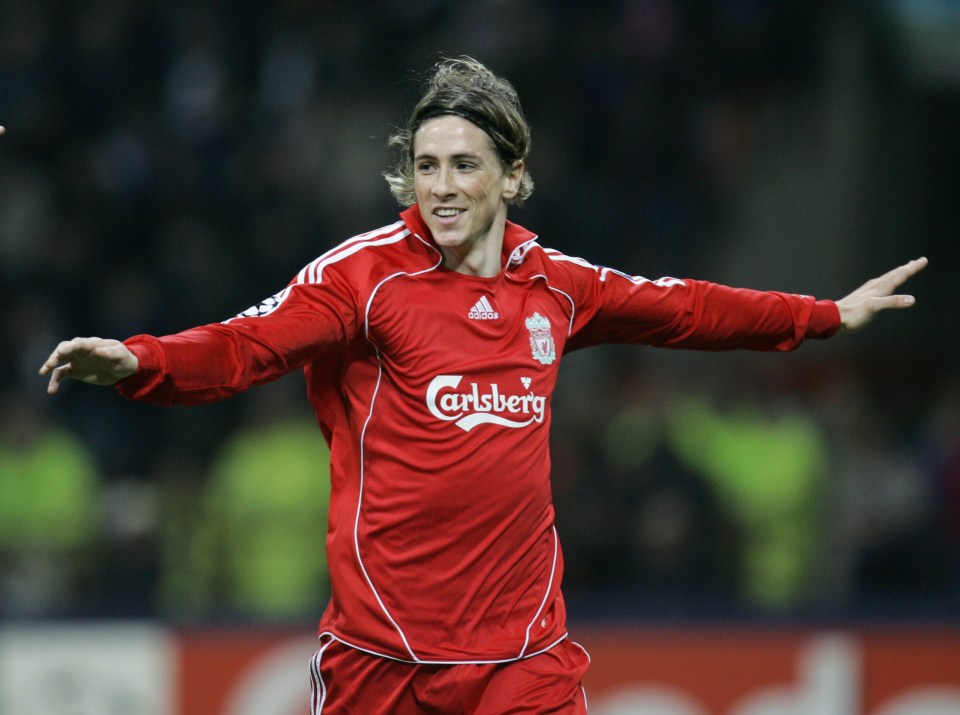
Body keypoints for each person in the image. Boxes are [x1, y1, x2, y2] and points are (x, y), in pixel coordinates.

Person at [39, 56, 926, 714]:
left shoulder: (555, 284)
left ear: (512, 173)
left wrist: (819, 315)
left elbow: (681, 308)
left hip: (522, 658)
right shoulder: (366, 278)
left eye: (465, 165)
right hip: (380, 657)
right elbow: (247, 346)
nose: (443, 187)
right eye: (427, 166)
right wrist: (140, 361)